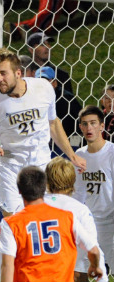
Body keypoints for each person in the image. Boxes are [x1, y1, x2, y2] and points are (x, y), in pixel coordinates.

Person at [0, 47, 86, 217]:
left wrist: (72, 155)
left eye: (3, 73)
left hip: (41, 164)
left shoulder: (43, 88)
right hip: (11, 167)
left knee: (42, 218)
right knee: (14, 222)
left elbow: (53, 123)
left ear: (18, 73)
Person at [0, 165, 103, 282]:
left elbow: (7, 265)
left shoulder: (11, 223)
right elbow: (93, 249)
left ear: (19, 190)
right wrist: (95, 266)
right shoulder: (67, 217)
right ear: (44, 187)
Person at [44, 156, 108, 282]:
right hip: (73, 274)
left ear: (46, 180)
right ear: (72, 180)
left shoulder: (32, 207)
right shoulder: (80, 210)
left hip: (38, 272)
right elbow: (93, 246)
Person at [73, 105, 114, 277]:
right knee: (78, 272)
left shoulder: (111, 152)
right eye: (85, 124)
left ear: (102, 126)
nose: (89, 128)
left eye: (93, 123)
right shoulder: (80, 155)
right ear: (80, 127)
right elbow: (77, 193)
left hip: (110, 223)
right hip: (88, 223)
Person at [35, 66, 82, 141]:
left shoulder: (67, 99)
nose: (42, 85)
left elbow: (80, 121)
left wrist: (74, 147)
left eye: (46, 81)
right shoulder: (34, 100)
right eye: (39, 82)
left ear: (54, 83)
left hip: (70, 140)